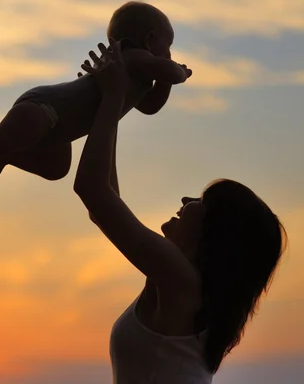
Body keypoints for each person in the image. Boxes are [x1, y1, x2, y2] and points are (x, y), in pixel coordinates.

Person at [74, 39, 286, 383]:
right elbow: (104, 199)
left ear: (215, 231)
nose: (187, 201)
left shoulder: (182, 283)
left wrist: (113, 98)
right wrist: (116, 101)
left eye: (202, 201)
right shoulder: (178, 283)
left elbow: (94, 193)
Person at [0, 1, 192, 204]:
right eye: (167, 45)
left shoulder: (133, 78)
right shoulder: (130, 55)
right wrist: (177, 69)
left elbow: (151, 106)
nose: (167, 54)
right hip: (46, 107)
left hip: (61, 130)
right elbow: (168, 72)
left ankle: (8, 155)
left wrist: (166, 79)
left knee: (57, 169)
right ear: (150, 39)